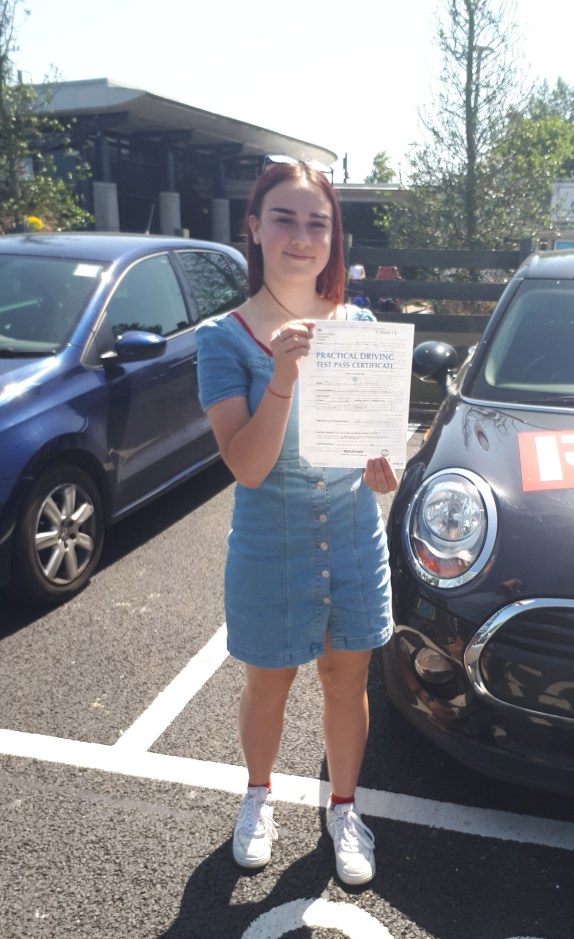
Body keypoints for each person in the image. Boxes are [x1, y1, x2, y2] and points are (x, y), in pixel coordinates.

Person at [195, 160, 397, 886]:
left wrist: (382, 464)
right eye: (284, 218)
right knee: (269, 682)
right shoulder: (224, 339)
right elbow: (247, 467)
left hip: (352, 536)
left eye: (319, 223)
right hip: (269, 542)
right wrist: (281, 377)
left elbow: (373, 452)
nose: (302, 237)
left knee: (347, 680)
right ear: (254, 228)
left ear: (333, 236)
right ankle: (258, 796)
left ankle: (343, 808)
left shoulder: (360, 329)